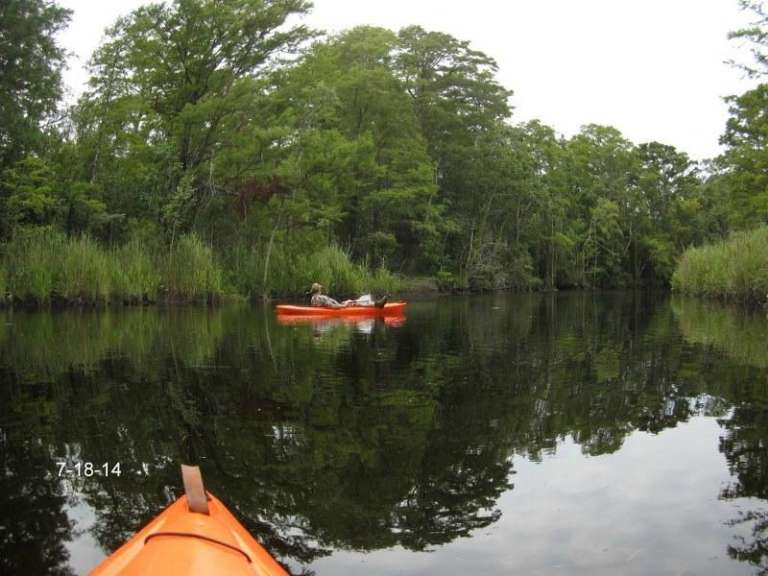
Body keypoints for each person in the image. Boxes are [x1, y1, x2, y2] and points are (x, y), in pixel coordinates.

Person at [309, 283, 387, 308]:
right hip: (340, 308)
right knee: (355, 303)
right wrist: (344, 305)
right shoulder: (320, 297)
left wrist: (343, 303)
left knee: (350, 301)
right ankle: (377, 304)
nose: (321, 290)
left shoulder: (313, 298)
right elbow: (332, 307)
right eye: (320, 289)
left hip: (338, 305)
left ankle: (375, 303)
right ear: (318, 290)